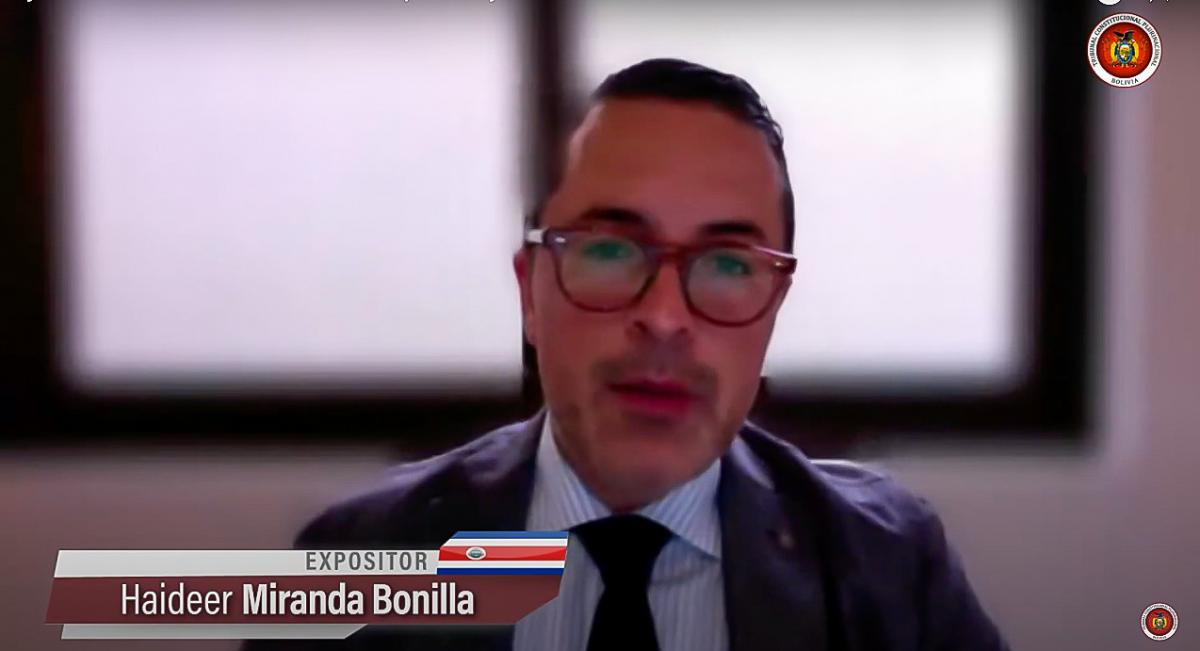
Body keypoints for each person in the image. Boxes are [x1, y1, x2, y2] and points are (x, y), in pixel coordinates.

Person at [246, 58, 1009, 651]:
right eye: (611, 250)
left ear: (773, 310)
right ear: (529, 292)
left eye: (728, 263)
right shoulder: (356, 559)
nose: (665, 319)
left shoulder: (891, 566)